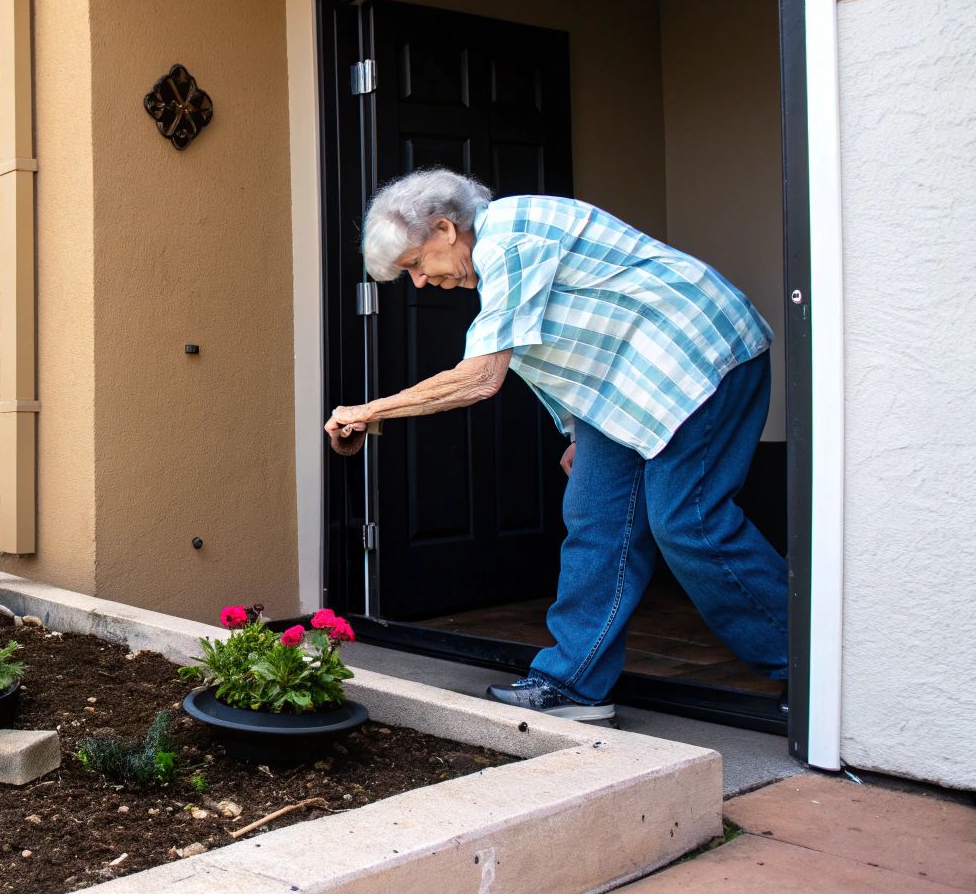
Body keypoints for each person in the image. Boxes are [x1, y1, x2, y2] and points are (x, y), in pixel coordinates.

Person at [324, 168, 788, 722]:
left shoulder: (510, 239)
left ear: (446, 229)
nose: (420, 283)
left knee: (689, 520)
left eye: (416, 266)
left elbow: (480, 378)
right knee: (594, 517)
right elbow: (561, 342)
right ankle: (574, 684)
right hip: (627, 386)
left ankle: (801, 663)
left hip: (700, 359)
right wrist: (573, 429)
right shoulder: (499, 256)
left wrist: (370, 410)